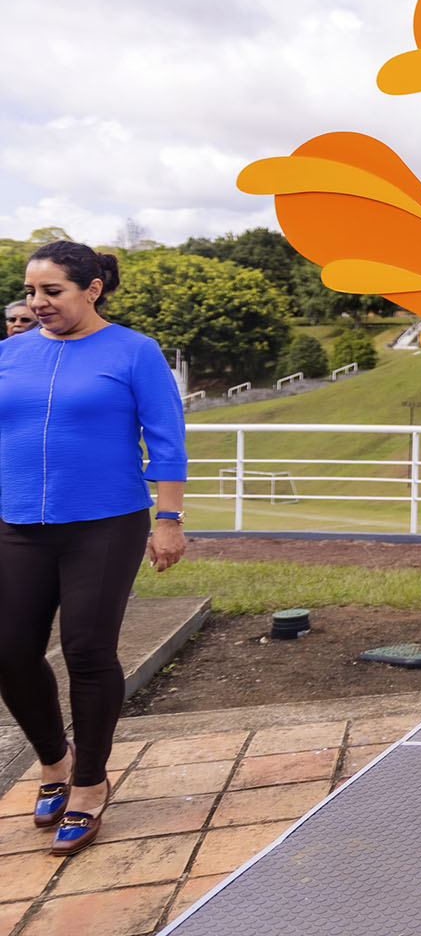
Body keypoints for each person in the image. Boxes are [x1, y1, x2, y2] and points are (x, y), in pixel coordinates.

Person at [0, 241, 186, 855]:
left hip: (105, 523)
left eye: (52, 291)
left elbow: (165, 437)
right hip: (18, 522)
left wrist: (169, 519)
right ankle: (54, 759)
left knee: (86, 648)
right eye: (31, 292)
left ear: (92, 288)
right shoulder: (11, 353)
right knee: (9, 652)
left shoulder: (135, 351)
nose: (38, 303)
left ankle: (88, 782)